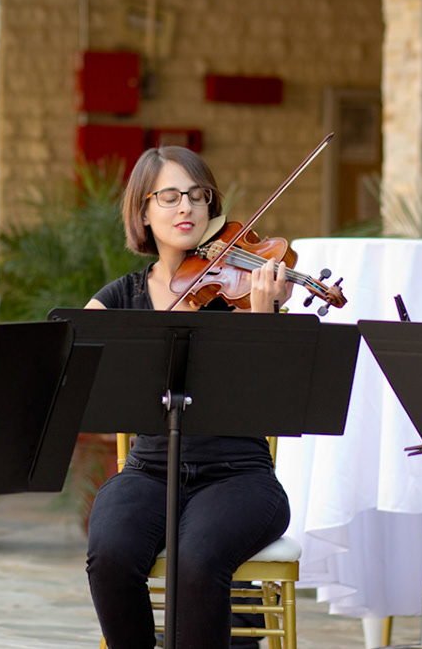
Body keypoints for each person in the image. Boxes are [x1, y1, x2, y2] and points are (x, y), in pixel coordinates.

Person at [83, 146, 294, 649]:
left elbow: (278, 395)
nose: (187, 208)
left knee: (196, 561)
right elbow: (75, 357)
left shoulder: (242, 293)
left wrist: (263, 321)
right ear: (143, 212)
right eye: (171, 197)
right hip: (149, 471)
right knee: (110, 554)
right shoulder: (121, 298)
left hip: (239, 476)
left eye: (198, 197)